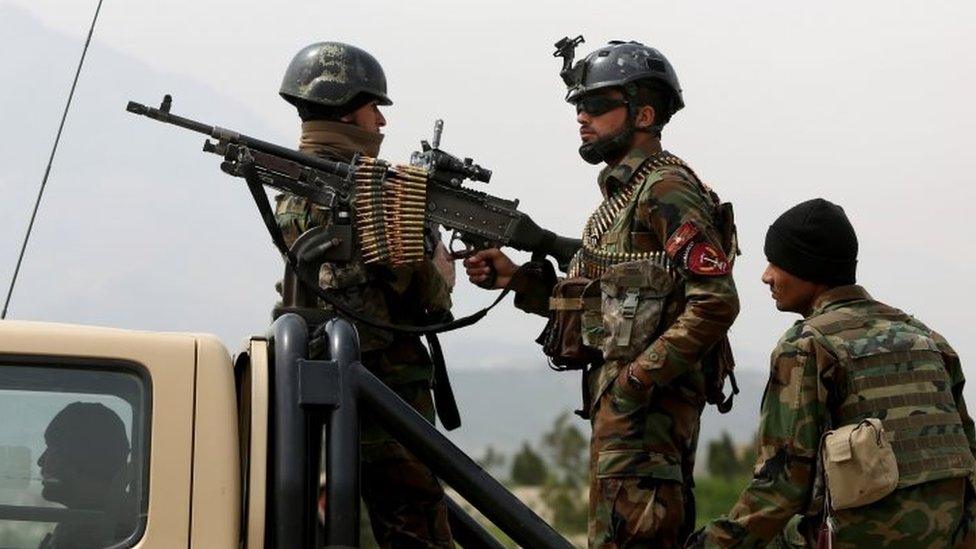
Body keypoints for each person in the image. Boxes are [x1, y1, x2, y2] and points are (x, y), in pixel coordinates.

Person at [465, 40, 739, 547]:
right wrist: (517, 279)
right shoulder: (625, 196)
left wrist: (636, 379)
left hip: (648, 423)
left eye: (595, 105)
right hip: (627, 423)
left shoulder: (665, 189)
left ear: (644, 113)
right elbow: (608, 303)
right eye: (579, 107)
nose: (581, 118)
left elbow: (716, 300)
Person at [695, 198, 976, 547]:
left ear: (808, 268)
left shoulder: (806, 345)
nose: (766, 275)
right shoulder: (929, 339)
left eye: (776, 262)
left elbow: (779, 489)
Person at [275, 42, 455, 547]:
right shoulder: (361, 194)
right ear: (347, 106)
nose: (381, 123)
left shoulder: (298, 188)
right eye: (375, 107)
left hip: (329, 384)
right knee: (416, 524)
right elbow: (431, 303)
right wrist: (435, 263)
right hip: (386, 393)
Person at [38, 401, 132, 549]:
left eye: (53, 449)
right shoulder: (86, 522)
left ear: (84, 458)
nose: (41, 461)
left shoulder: (114, 531)